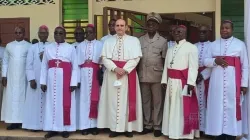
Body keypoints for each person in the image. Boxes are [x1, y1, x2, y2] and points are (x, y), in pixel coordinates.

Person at [97, 19, 143, 138]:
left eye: (122, 25)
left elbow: (136, 58)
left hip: (128, 75)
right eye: (117, 25)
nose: (119, 28)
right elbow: (104, 58)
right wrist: (115, 68)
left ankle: (128, 128)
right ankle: (114, 128)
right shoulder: (108, 41)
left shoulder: (134, 41)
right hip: (112, 75)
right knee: (112, 102)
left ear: (126, 27)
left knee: (128, 101)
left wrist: (124, 69)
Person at [204, 20, 248, 140]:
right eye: (222, 28)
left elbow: (245, 65)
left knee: (232, 107)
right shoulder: (213, 44)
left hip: (233, 83)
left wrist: (244, 84)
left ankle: (231, 134)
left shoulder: (240, 44)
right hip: (216, 83)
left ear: (232, 29)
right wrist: (215, 61)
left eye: (227, 28)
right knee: (217, 108)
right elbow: (205, 61)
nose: (224, 30)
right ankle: (218, 134)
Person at [161, 25, 200, 139]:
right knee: (171, 108)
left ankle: (185, 134)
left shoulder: (191, 47)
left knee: (182, 109)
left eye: (180, 32)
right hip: (171, 82)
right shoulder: (170, 48)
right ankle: (172, 132)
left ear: (185, 33)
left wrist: (191, 83)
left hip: (183, 83)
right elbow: (166, 67)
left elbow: (193, 67)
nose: (177, 33)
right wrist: (164, 80)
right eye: (175, 32)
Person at [40, 26, 78, 138]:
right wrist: (43, 81)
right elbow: (44, 66)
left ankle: (65, 128)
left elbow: (75, 67)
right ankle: (52, 128)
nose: (58, 35)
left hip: (65, 80)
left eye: (60, 33)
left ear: (65, 35)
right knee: (52, 103)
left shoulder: (70, 48)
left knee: (64, 104)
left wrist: (73, 82)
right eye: (56, 33)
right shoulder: (48, 48)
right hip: (51, 81)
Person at [138, 12, 167, 137]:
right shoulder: (139, 40)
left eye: (153, 23)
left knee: (157, 102)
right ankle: (147, 124)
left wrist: (165, 78)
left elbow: (165, 60)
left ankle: (157, 126)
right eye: (149, 23)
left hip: (157, 76)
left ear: (157, 26)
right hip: (143, 75)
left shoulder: (163, 41)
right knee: (145, 101)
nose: (150, 25)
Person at [1, 26, 31, 130]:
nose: (18, 34)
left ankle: (23, 121)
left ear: (24, 33)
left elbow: (30, 62)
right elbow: (5, 62)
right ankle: (13, 122)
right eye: (16, 33)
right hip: (11, 77)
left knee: (24, 99)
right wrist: (4, 76)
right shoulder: (9, 46)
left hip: (24, 78)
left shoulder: (29, 46)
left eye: (20, 32)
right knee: (11, 99)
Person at [22, 25, 50, 131]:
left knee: (48, 102)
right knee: (34, 104)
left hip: (47, 79)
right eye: (41, 33)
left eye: (45, 33)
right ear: (38, 34)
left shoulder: (52, 46)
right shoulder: (32, 48)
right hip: (36, 79)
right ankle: (34, 125)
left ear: (47, 34)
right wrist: (31, 79)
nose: (43, 35)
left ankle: (46, 125)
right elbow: (28, 65)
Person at [76, 24, 103, 135]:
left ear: (95, 33)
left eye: (91, 32)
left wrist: (102, 75)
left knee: (96, 99)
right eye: (87, 32)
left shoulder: (100, 44)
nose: (88, 34)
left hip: (95, 75)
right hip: (83, 74)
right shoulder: (80, 46)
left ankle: (95, 126)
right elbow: (76, 65)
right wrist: (77, 80)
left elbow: (103, 62)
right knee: (84, 100)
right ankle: (85, 126)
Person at [195, 25, 212, 133]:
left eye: (204, 32)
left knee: (207, 104)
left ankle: (206, 129)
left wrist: (202, 75)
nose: (202, 33)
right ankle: (196, 130)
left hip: (207, 79)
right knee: (196, 103)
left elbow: (214, 63)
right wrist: (194, 75)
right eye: (200, 31)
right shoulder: (193, 46)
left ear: (208, 33)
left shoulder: (213, 46)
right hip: (194, 78)